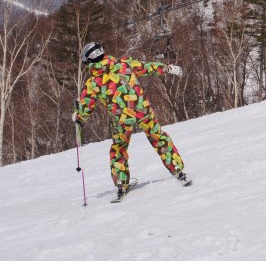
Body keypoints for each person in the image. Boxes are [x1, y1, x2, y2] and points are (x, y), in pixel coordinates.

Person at [72, 41, 188, 196]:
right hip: (143, 111)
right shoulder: (123, 64)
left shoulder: (93, 83)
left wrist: (78, 116)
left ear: (88, 61)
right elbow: (147, 67)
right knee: (158, 137)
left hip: (121, 121)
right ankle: (177, 169)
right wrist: (167, 68)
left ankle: (121, 183)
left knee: (118, 149)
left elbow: (86, 108)